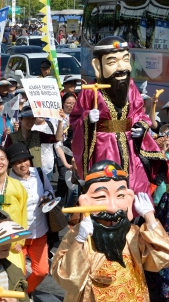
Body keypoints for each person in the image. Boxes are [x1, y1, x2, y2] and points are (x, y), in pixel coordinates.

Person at [51, 160, 169, 302]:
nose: (112, 208)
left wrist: (150, 218)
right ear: (85, 201)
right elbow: (64, 276)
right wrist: (79, 240)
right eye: (100, 197)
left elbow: (161, 259)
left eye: (120, 195)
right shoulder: (80, 233)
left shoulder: (132, 233)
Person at [70, 36, 166, 206]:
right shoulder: (90, 91)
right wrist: (87, 119)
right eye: (112, 62)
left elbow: (140, 114)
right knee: (107, 191)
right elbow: (75, 119)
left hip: (130, 148)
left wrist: (141, 126)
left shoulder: (131, 88)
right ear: (98, 65)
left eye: (126, 60)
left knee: (137, 192)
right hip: (103, 148)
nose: (121, 67)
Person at [5, 143, 53, 302]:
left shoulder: (38, 173)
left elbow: (50, 191)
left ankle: (27, 292)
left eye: (25, 160)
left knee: (42, 271)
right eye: (18, 162)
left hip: (40, 231)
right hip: (18, 236)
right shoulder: (7, 182)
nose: (23, 164)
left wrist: (46, 196)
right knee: (19, 273)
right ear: (11, 164)